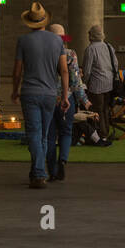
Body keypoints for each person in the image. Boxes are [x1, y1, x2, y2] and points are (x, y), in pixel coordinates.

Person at [12, 3, 69, 188]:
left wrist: (14, 90)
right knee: (44, 135)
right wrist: (65, 96)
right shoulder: (57, 41)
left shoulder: (23, 41)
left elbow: (17, 71)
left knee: (34, 134)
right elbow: (64, 70)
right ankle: (37, 171)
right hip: (50, 94)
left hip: (30, 92)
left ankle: (38, 173)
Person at [45, 24, 93, 182]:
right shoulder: (70, 54)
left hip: (48, 98)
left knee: (50, 135)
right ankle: (63, 160)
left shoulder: (44, 54)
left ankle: (52, 170)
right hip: (68, 98)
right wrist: (85, 101)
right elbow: (76, 81)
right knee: (66, 132)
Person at [82, 24, 117, 144]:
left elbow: (87, 70)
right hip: (110, 83)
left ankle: (101, 136)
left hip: (96, 85)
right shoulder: (109, 46)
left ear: (91, 36)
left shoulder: (90, 49)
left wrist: (84, 83)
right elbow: (115, 65)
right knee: (106, 109)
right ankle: (105, 132)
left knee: (97, 110)